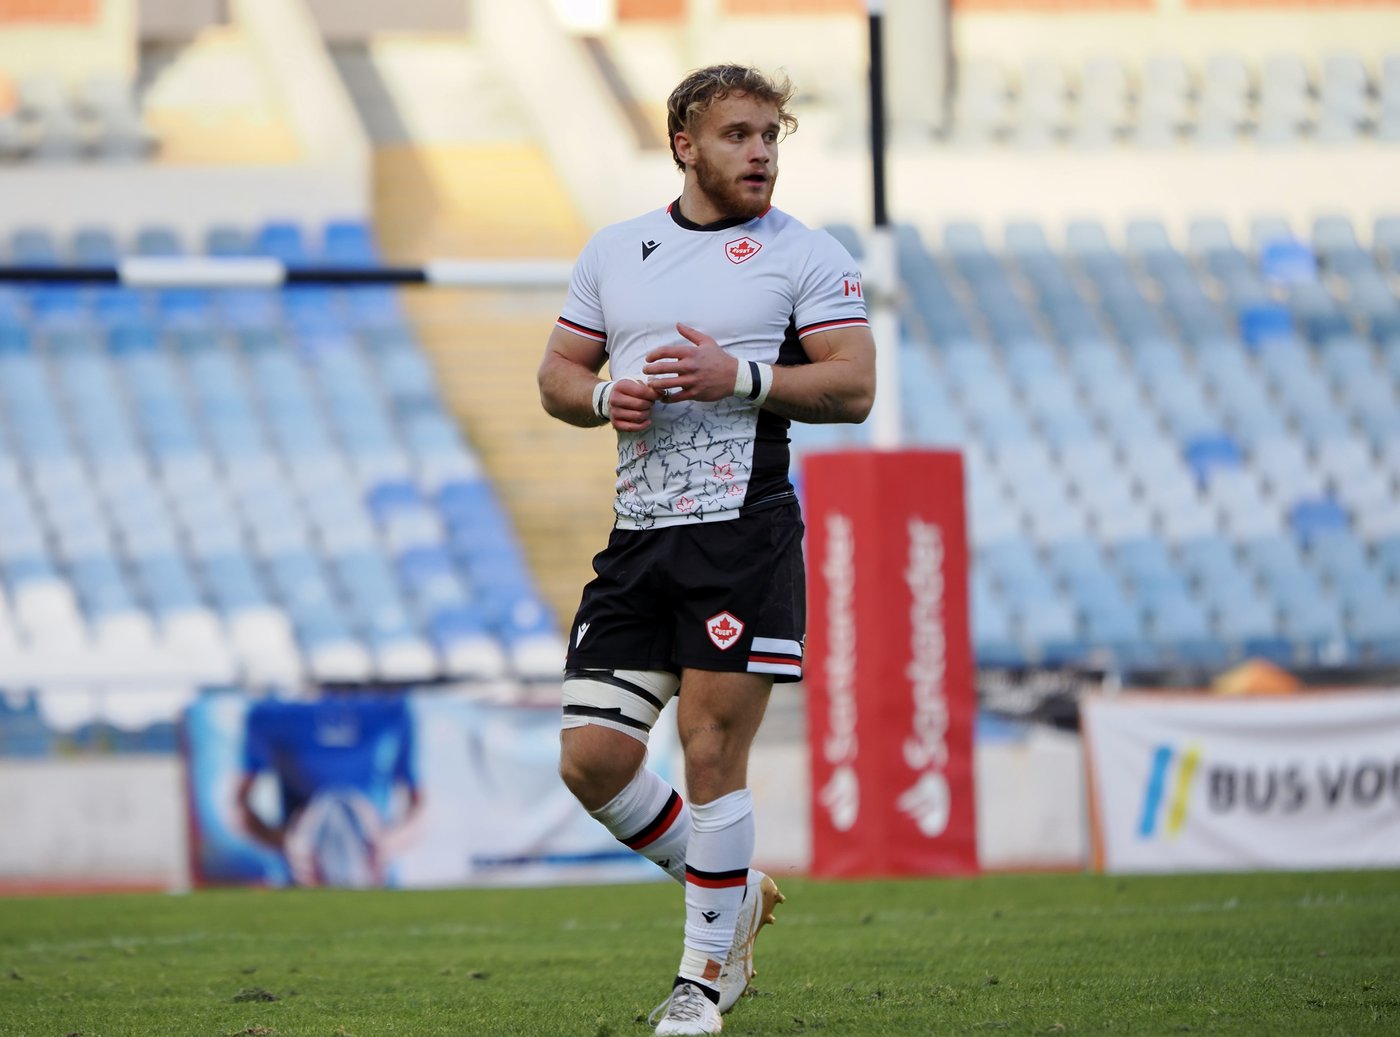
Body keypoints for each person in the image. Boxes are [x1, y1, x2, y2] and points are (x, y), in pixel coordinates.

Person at [537, 64, 875, 1035]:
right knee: (591, 759)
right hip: (638, 540)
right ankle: (732, 885)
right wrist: (604, 396)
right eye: (737, 134)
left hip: (741, 535)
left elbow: (852, 385)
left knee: (710, 747)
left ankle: (698, 979)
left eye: (771, 134)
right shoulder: (616, 250)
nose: (760, 151)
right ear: (684, 144)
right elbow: (557, 372)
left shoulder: (805, 256)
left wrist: (744, 375)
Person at [234, 693, 425, 888]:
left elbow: (419, 802)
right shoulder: (271, 711)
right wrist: (286, 844)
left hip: (374, 876)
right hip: (300, 877)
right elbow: (239, 801)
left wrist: (387, 844)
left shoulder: (391, 707)